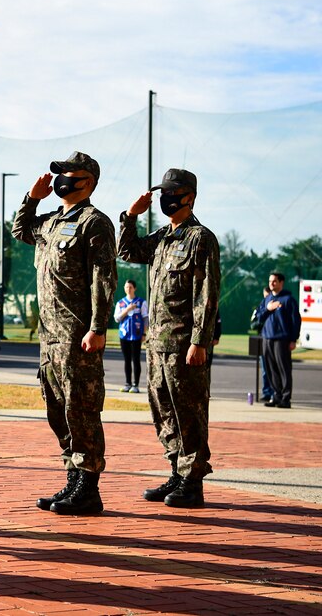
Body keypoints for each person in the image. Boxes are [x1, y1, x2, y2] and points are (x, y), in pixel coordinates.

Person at [11, 151, 117, 516]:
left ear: (87, 181)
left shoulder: (95, 223)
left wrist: (98, 328)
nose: (60, 180)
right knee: (57, 408)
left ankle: (89, 487)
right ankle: (73, 479)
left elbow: (104, 279)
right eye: (59, 174)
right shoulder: (52, 221)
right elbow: (20, 230)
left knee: (81, 409)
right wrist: (32, 198)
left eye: (68, 174)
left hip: (77, 334)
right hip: (49, 337)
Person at [119, 168, 220, 508]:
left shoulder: (200, 238)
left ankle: (193, 481)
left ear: (188, 196)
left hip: (183, 343)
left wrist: (200, 341)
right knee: (163, 410)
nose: (165, 198)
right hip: (157, 343)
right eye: (162, 192)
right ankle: (177, 471)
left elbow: (206, 294)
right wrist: (131, 217)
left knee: (188, 411)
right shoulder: (162, 237)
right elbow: (128, 251)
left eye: (171, 192)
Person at [256, 272, 301, 409]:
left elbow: (296, 321)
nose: (271, 284)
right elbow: (258, 317)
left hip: (282, 339)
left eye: (274, 281)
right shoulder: (267, 299)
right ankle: (276, 396)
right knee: (270, 369)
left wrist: (293, 339)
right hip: (267, 338)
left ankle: (286, 399)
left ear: (281, 282)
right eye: (270, 281)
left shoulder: (288, 300)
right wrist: (268, 309)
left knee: (284, 369)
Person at [114, 280, 148, 393]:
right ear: (124, 288)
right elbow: (117, 318)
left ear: (135, 288)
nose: (128, 289)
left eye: (131, 287)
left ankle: (135, 384)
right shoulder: (120, 303)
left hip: (137, 335)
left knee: (136, 359)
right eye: (127, 287)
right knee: (127, 360)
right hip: (124, 335)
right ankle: (127, 383)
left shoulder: (141, 302)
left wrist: (144, 333)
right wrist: (127, 310)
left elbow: (145, 319)